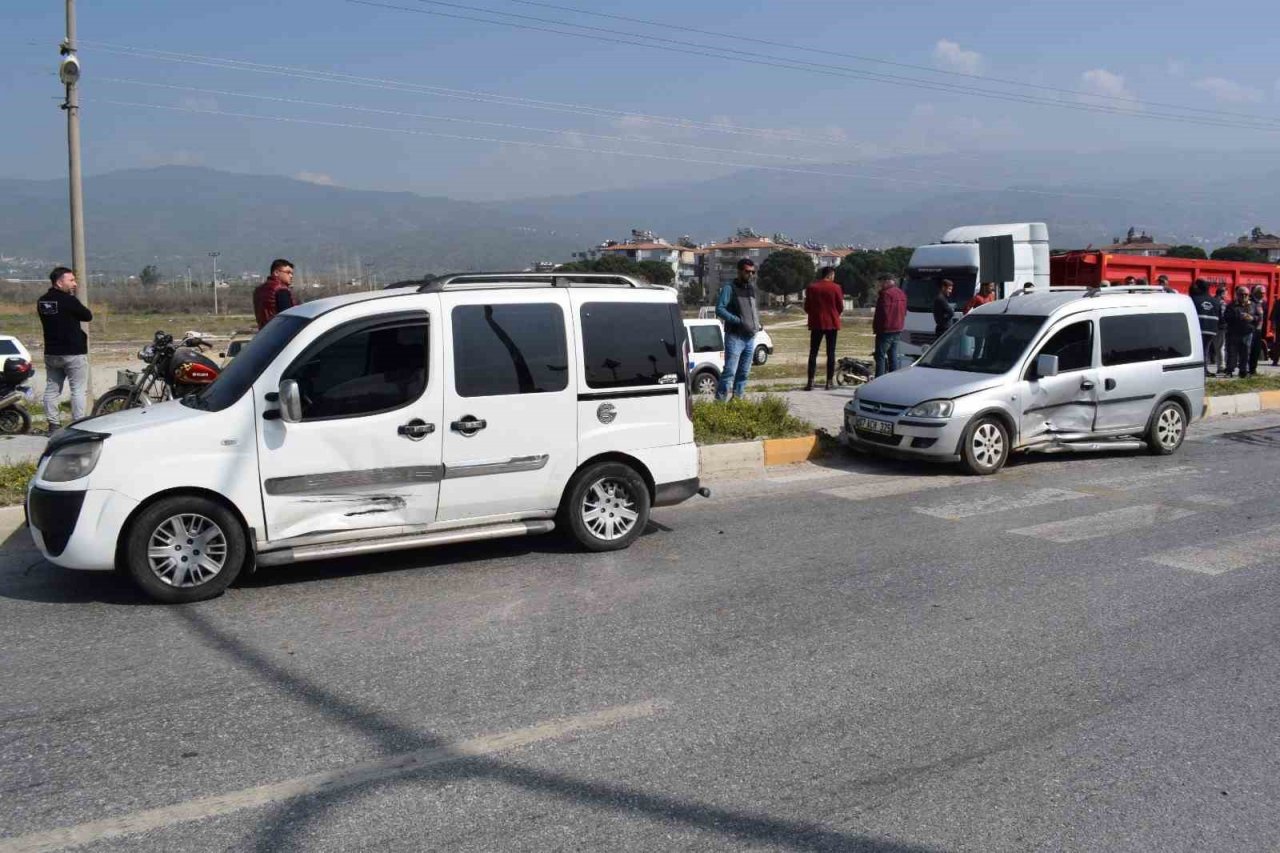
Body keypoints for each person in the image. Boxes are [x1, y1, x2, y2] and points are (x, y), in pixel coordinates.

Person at [38, 266, 93, 429]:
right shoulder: (69, 300)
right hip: (73, 352)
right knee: (78, 390)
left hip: (52, 353)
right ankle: (78, 424)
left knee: (52, 389)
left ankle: (53, 424)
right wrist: (74, 300)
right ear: (59, 282)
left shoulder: (42, 301)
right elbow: (87, 316)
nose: (75, 284)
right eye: (71, 280)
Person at [714, 258, 762, 401]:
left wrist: (757, 324)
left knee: (744, 373)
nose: (751, 275)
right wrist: (737, 320)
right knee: (729, 373)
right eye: (748, 272)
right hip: (735, 337)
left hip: (750, 338)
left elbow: (753, 310)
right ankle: (719, 404)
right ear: (739, 271)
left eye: (753, 272)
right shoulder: (729, 288)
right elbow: (719, 309)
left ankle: (737, 402)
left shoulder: (751, 289)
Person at [802, 266, 843, 391]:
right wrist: (835, 314)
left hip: (816, 323)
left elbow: (807, 306)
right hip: (831, 323)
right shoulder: (836, 287)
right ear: (830, 275)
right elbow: (840, 306)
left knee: (813, 352)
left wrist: (814, 314)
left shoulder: (811, 288)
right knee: (831, 352)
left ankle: (810, 381)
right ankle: (829, 382)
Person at [872, 274, 906, 377]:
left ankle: (879, 380)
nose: (880, 285)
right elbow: (904, 311)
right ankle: (893, 379)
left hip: (886, 330)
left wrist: (877, 328)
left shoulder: (885, 294)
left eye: (881, 282)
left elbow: (882, 313)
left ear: (887, 281)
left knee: (880, 356)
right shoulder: (901, 293)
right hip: (898, 328)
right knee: (893, 356)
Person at [253, 258, 296, 329]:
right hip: (279, 331)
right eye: (288, 272)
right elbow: (288, 318)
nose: (291, 276)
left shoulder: (258, 290)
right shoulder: (281, 290)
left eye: (292, 273)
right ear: (276, 273)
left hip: (264, 333)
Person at [1189, 279, 1220, 375]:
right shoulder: (1215, 301)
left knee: (1196, 352)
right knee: (1205, 350)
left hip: (1198, 329)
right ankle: (1204, 369)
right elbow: (1220, 317)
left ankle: (1199, 370)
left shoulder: (1193, 299)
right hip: (1211, 330)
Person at [1223, 286, 1254, 379]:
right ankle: (1229, 371)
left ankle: (1243, 371)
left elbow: (1259, 317)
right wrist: (1240, 317)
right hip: (1234, 333)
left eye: (1246, 294)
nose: (1244, 296)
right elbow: (1226, 317)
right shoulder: (1231, 305)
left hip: (1247, 333)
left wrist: (1252, 318)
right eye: (1241, 294)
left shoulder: (1252, 305)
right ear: (1237, 295)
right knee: (1232, 353)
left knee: (1245, 353)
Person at [1248, 285, 1268, 376]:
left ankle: (1253, 369)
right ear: (1255, 293)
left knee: (1256, 351)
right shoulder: (1250, 302)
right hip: (1250, 329)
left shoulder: (1263, 303)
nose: (1263, 294)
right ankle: (1244, 369)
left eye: (1264, 293)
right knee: (1248, 350)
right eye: (1261, 293)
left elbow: (1265, 317)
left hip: (1259, 331)